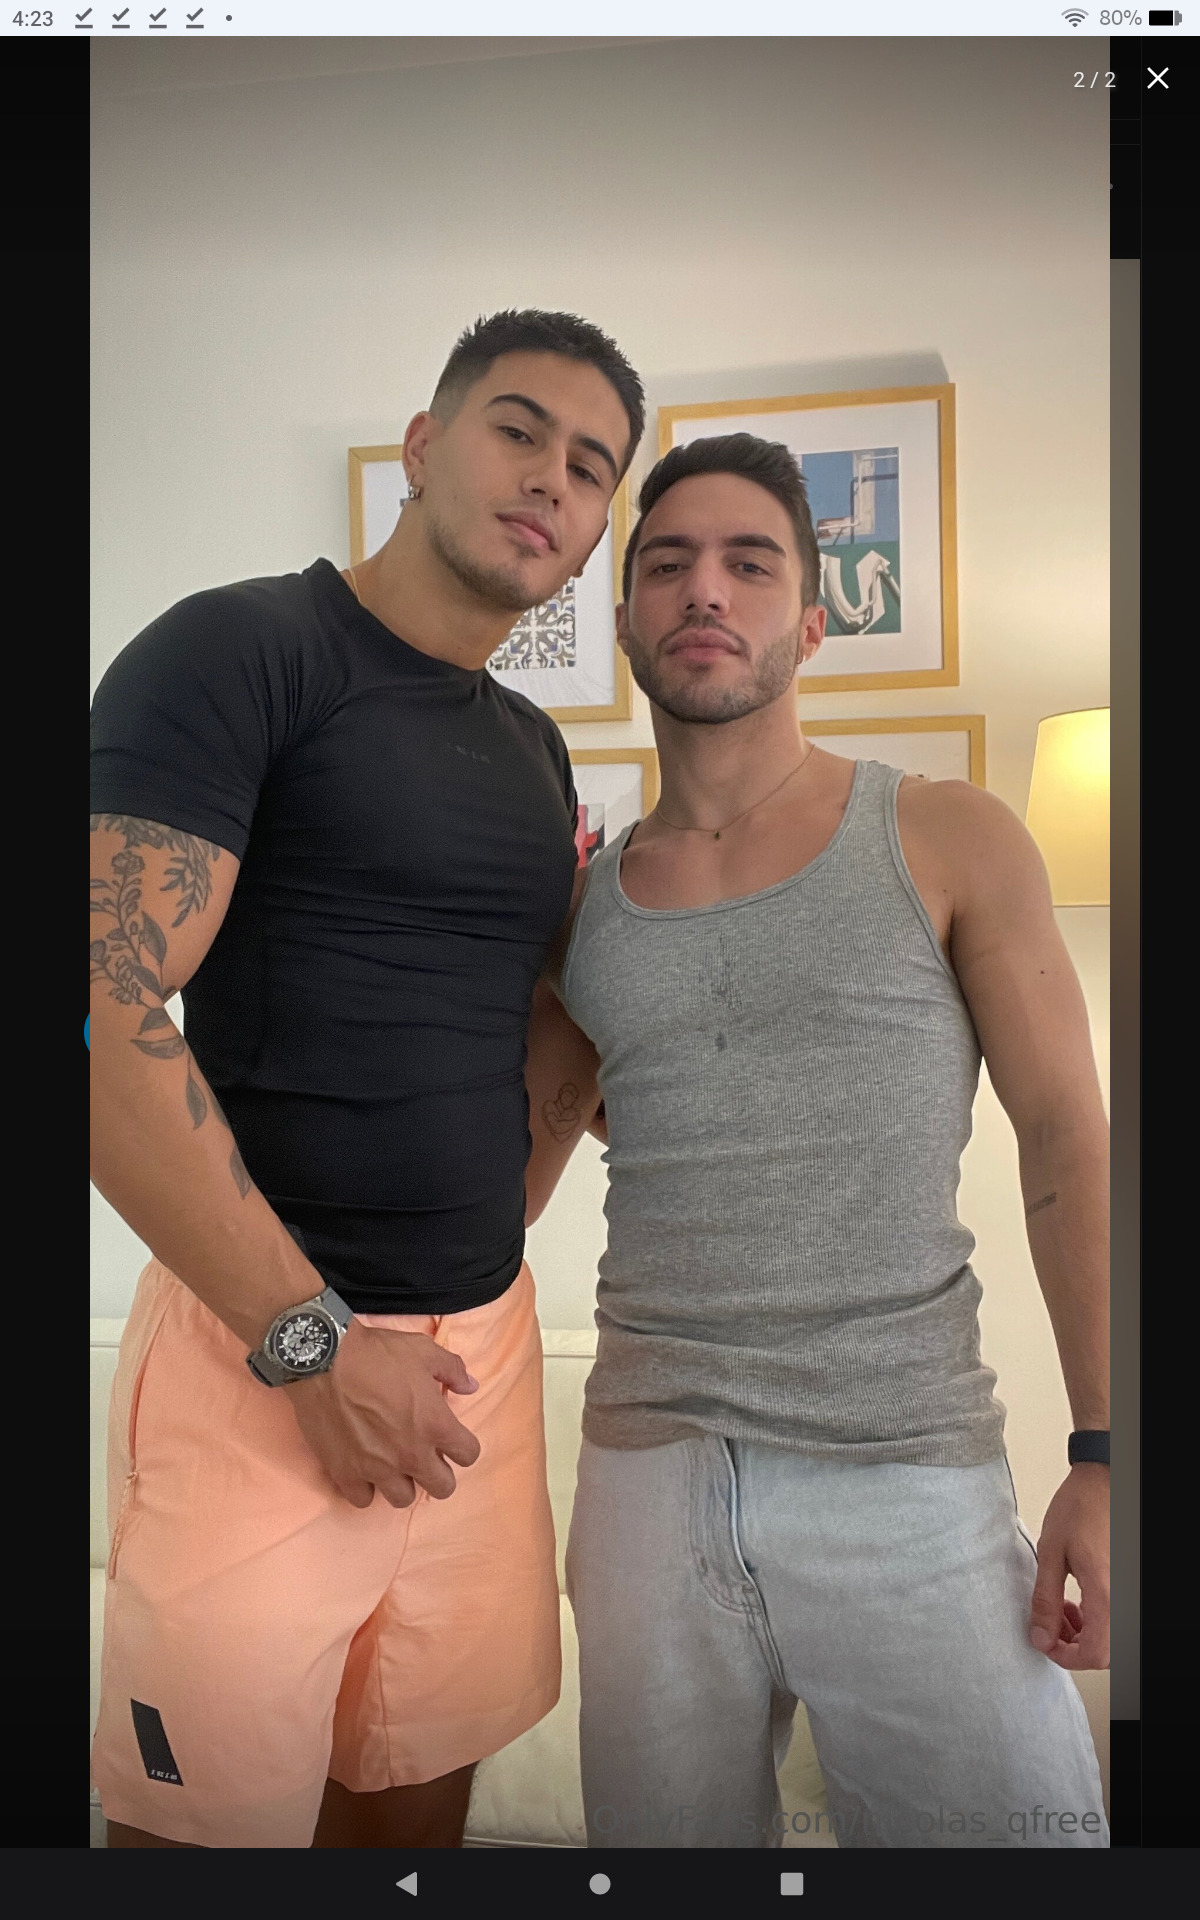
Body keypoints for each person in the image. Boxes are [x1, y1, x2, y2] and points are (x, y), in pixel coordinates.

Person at [89, 308, 644, 1850]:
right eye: (518, 428)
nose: (551, 477)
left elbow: (531, 1036)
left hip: (476, 1369)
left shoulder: (534, 750)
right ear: (422, 444)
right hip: (264, 1357)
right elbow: (93, 1001)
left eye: (591, 466)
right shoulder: (239, 650)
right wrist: (313, 1346)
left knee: (414, 1815)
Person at [538, 432, 1110, 1849]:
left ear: (810, 620)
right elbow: (516, 1169)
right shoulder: (582, 906)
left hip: (905, 1470)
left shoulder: (950, 836)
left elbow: (1067, 1143)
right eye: (667, 565)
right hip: (648, 1479)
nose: (704, 590)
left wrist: (1108, 1450)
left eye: (750, 563)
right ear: (625, 622)